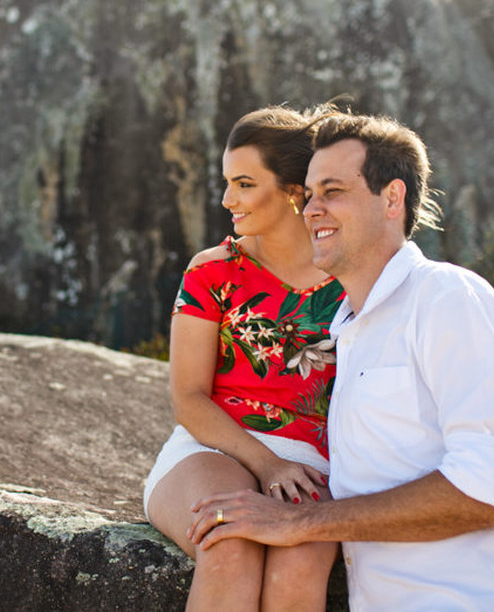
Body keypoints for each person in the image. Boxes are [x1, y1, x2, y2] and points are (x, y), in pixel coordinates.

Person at [187, 111, 494, 610]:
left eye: (334, 191)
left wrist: (301, 523)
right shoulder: (347, 330)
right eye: (310, 193)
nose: (312, 209)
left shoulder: (447, 297)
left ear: (392, 198)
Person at [143, 105, 347, 611]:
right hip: (212, 449)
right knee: (229, 542)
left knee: (298, 563)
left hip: (312, 462)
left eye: (245, 184)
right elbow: (188, 400)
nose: (227, 199)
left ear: (295, 190)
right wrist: (267, 463)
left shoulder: (351, 279)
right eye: (228, 182)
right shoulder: (212, 272)